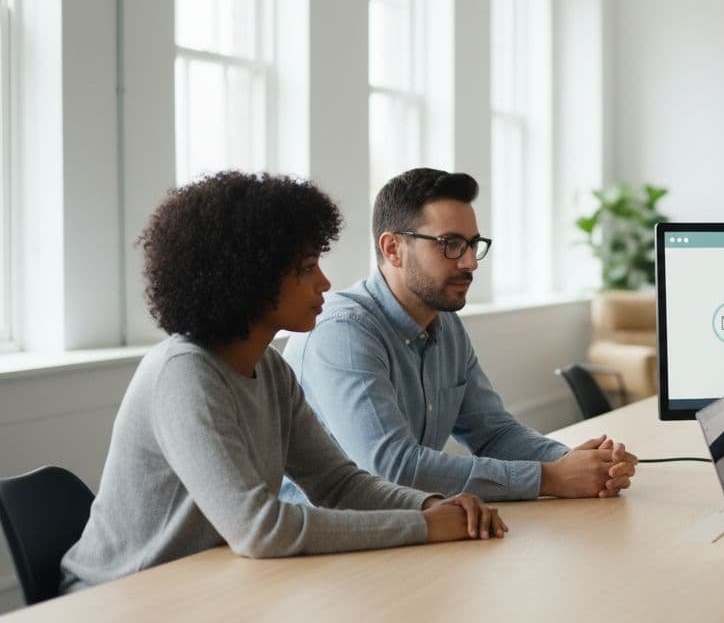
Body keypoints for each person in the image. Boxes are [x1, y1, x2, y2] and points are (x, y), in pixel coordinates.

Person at [61, 172, 504, 593]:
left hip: (213, 589)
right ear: (251, 275)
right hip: (122, 600)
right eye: (308, 267)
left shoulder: (271, 370)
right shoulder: (184, 372)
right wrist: (424, 528)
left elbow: (339, 484)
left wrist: (428, 505)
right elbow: (259, 528)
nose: (325, 283)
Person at [282, 168, 637, 503]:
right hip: (318, 547)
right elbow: (392, 469)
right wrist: (550, 478)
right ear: (393, 249)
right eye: (450, 243)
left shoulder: (444, 323)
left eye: (472, 244)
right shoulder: (341, 332)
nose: (470, 263)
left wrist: (582, 463)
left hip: (405, 528)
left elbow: (494, 433)